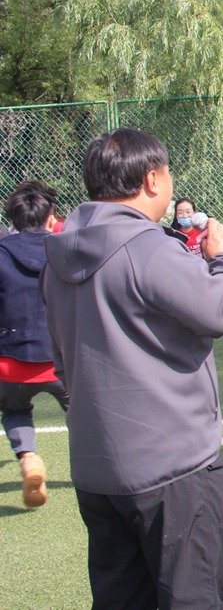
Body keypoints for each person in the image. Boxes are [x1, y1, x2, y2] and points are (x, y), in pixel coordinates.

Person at [42, 128, 223, 607]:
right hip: (172, 467)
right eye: (168, 173)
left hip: (98, 468)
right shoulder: (146, 246)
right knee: (193, 596)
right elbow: (220, 312)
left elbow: (62, 361)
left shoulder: (57, 258)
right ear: (153, 179)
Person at [1, 181, 69, 508]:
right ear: (51, 217)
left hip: (10, 363)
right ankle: (103, 466)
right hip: (60, 360)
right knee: (83, 411)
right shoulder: (65, 252)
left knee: (15, 410)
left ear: (12, 220)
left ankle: (28, 457)